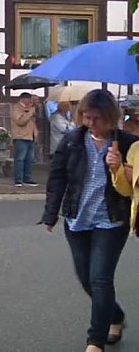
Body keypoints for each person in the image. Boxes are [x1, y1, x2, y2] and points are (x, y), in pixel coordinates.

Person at [43, 89, 137, 351]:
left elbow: (135, 184)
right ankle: (115, 316)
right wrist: (51, 214)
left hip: (112, 220)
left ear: (110, 117)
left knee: (100, 279)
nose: (90, 122)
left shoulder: (128, 143)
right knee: (86, 278)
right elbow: (57, 177)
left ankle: (95, 341)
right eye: (86, 116)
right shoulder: (73, 140)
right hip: (77, 219)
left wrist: (121, 168)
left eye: (97, 117)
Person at [11, 92, 39, 187]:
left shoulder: (29, 109)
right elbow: (20, 121)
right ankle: (18, 179)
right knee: (20, 159)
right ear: (24, 99)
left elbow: (32, 122)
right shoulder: (16, 108)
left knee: (29, 159)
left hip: (30, 136)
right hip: (21, 136)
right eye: (29, 99)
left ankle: (27, 179)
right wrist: (30, 113)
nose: (30, 101)